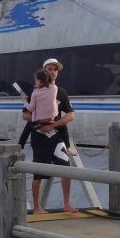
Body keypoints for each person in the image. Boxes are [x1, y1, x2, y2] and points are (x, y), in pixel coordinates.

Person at [25, 58, 77, 214]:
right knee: (39, 172)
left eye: (55, 69)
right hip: (39, 136)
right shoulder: (35, 91)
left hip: (56, 136)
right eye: (49, 68)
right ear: (44, 71)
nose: (53, 71)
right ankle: (36, 207)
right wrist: (41, 121)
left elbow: (71, 115)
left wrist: (54, 124)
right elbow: (25, 114)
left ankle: (66, 203)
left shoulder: (61, 92)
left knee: (66, 167)